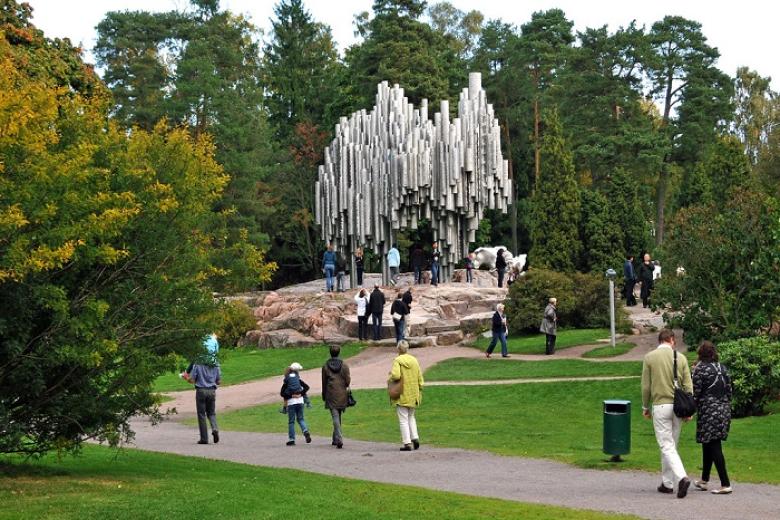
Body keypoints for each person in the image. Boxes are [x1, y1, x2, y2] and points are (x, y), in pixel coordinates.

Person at [641, 329, 693, 498]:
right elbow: (688, 386)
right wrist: (689, 409)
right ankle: (667, 483)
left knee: (666, 445)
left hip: (660, 405)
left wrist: (645, 406)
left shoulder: (650, 357)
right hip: (678, 407)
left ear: (660, 340)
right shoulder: (682, 358)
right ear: (671, 339)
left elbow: (646, 386)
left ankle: (681, 477)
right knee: (671, 445)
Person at [692, 341, 733, 494]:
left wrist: (690, 410)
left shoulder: (700, 369)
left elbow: (695, 393)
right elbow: (729, 392)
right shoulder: (723, 368)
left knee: (714, 446)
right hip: (724, 410)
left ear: (700, 353)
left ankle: (725, 483)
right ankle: (704, 480)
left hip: (708, 411)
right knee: (707, 443)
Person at [388, 340, 424, 451]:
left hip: (402, 392)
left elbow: (396, 375)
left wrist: (390, 377)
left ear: (398, 349)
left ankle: (407, 442)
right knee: (411, 417)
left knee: (403, 419)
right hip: (413, 392)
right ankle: (415, 438)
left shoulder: (397, 360)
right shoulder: (414, 360)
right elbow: (420, 378)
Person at [184, 355, 222, 445]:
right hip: (212, 391)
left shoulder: (198, 364)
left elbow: (192, 380)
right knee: (211, 413)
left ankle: (204, 438)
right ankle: (215, 428)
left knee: (201, 415)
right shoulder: (215, 363)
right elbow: (219, 381)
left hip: (201, 390)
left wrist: (186, 377)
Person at [322, 345, 351, 449]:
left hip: (331, 393)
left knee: (335, 416)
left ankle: (338, 438)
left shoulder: (325, 366)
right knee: (338, 415)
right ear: (339, 353)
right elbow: (348, 381)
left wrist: (324, 394)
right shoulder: (344, 365)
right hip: (342, 393)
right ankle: (336, 438)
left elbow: (324, 382)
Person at [281, 362, 311, 446]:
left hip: (291, 402)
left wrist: (291, 395)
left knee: (291, 421)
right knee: (301, 419)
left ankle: (292, 439)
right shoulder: (298, 379)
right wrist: (300, 394)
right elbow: (307, 387)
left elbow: (282, 393)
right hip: (300, 401)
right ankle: (305, 431)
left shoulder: (287, 380)